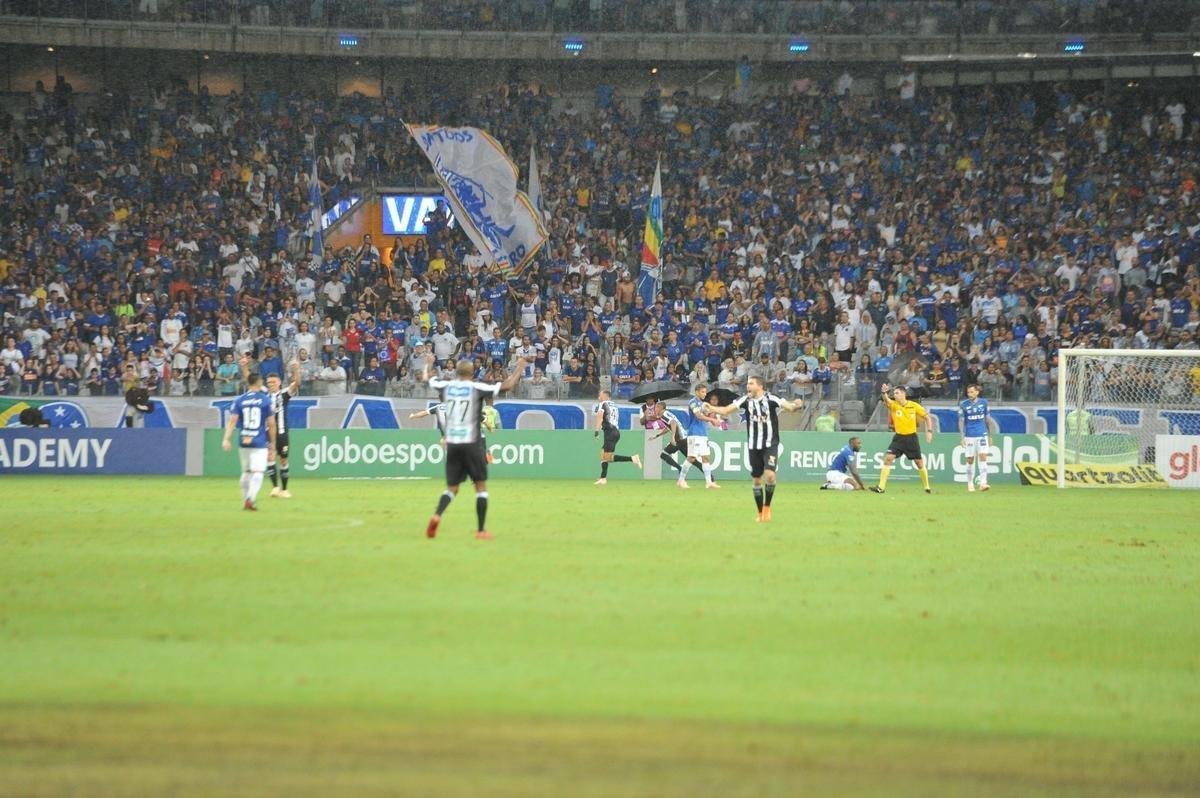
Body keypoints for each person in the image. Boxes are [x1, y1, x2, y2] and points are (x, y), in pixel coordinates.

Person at [423, 354, 528, 540]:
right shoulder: (476, 387)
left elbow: (428, 378)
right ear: (472, 373)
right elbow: (507, 386)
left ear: (456, 372)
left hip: (453, 444)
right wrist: (520, 367)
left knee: (452, 488)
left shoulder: (447, 386)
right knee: (480, 487)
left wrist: (429, 363)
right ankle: (481, 531)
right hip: (472, 443)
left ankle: (436, 515)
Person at [706, 375, 802, 520]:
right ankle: (759, 513)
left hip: (770, 444)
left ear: (760, 385)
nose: (748, 386)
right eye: (748, 383)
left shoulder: (771, 398)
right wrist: (711, 407)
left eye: (751, 383)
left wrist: (796, 404)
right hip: (753, 445)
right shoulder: (745, 400)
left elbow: (789, 407)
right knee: (757, 480)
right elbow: (726, 410)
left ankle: (767, 507)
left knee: (770, 475)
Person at [221, 372, 277, 511]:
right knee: (258, 472)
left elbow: (232, 421)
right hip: (259, 441)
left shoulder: (239, 400)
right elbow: (271, 424)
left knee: (246, 472)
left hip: (244, 439)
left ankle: (246, 500)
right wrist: (273, 444)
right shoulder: (265, 400)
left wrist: (226, 439)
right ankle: (250, 499)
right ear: (258, 382)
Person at [245, 356, 299, 499]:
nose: (270, 384)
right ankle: (275, 487)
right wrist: (244, 367)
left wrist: (296, 369)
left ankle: (285, 489)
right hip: (268, 432)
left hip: (282, 432)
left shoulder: (284, 394)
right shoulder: (264, 394)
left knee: (283, 460)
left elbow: (296, 383)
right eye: (268, 382)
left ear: (279, 383)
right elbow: (250, 380)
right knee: (270, 458)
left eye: (273, 382)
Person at [871, 383, 935, 494]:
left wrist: (929, 431)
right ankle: (881, 487)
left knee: (919, 463)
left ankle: (927, 487)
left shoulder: (914, 406)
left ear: (903, 394)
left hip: (911, 438)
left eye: (897, 393)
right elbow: (886, 401)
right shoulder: (894, 405)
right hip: (899, 438)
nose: (894, 395)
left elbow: (927, 417)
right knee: (888, 458)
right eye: (894, 393)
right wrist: (884, 393)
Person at [593, 389, 643, 485]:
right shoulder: (614, 405)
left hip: (610, 432)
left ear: (604, 395)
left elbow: (600, 416)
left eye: (600, 394)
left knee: (607, 457)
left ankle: (632, 458)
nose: (598, 396)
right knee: (603, 454)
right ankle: (603, 478)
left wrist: (596, 431)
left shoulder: (603, 404)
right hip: (614, 431)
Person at [680, 384, 721, 489]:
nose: (705, 394)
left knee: (706, 457)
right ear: (697, 392)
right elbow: (698, 416)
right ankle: (681, 480)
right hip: (695, 433)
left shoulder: (702, 404)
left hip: (703, 433)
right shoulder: (693, 402)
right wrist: (712, 419)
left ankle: (709, 482)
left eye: (705, 392)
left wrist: (711, 414)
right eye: (703, 392)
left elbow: (705, 415)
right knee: (692, 457)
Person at [959, 382, 991, 492]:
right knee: (970, 460)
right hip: (969, 435)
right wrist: (962, 437)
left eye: (972, 392)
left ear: (977, 392)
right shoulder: (963, 404)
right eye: (968, 392)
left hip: (982, 434)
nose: (969, 394)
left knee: (983, 457)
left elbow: (987, 419)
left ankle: (983, 483)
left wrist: (989, 435)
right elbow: (962, 421)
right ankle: (970, 483)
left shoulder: (984, 403)